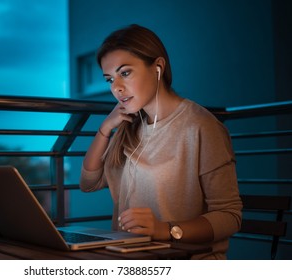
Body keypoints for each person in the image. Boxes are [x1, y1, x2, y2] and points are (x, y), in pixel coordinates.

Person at [79, 24, 242, 259]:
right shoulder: (128, 127)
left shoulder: (201, 127)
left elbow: (230, 216)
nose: (116, 88)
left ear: (157, 68)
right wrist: (104, 129)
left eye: (125, 73)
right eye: (109, 79)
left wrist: (166, 230)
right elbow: (88, 184)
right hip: (130, 259)